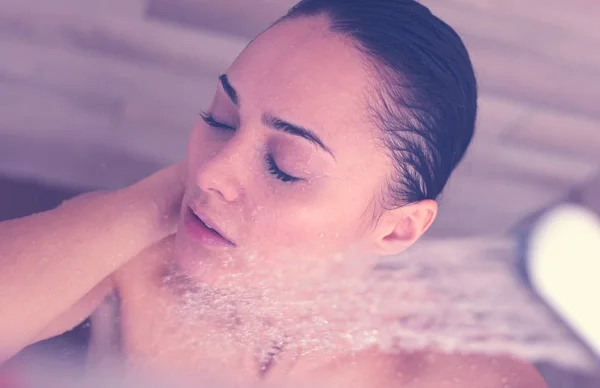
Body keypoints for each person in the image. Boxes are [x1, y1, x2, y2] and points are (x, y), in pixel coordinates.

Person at [0, 0, 548, 386]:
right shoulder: (139, 258)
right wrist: (156, 199)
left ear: (395, 227)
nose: (213, 170)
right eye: (220, 117)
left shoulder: (458, 371)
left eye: (286, 167)